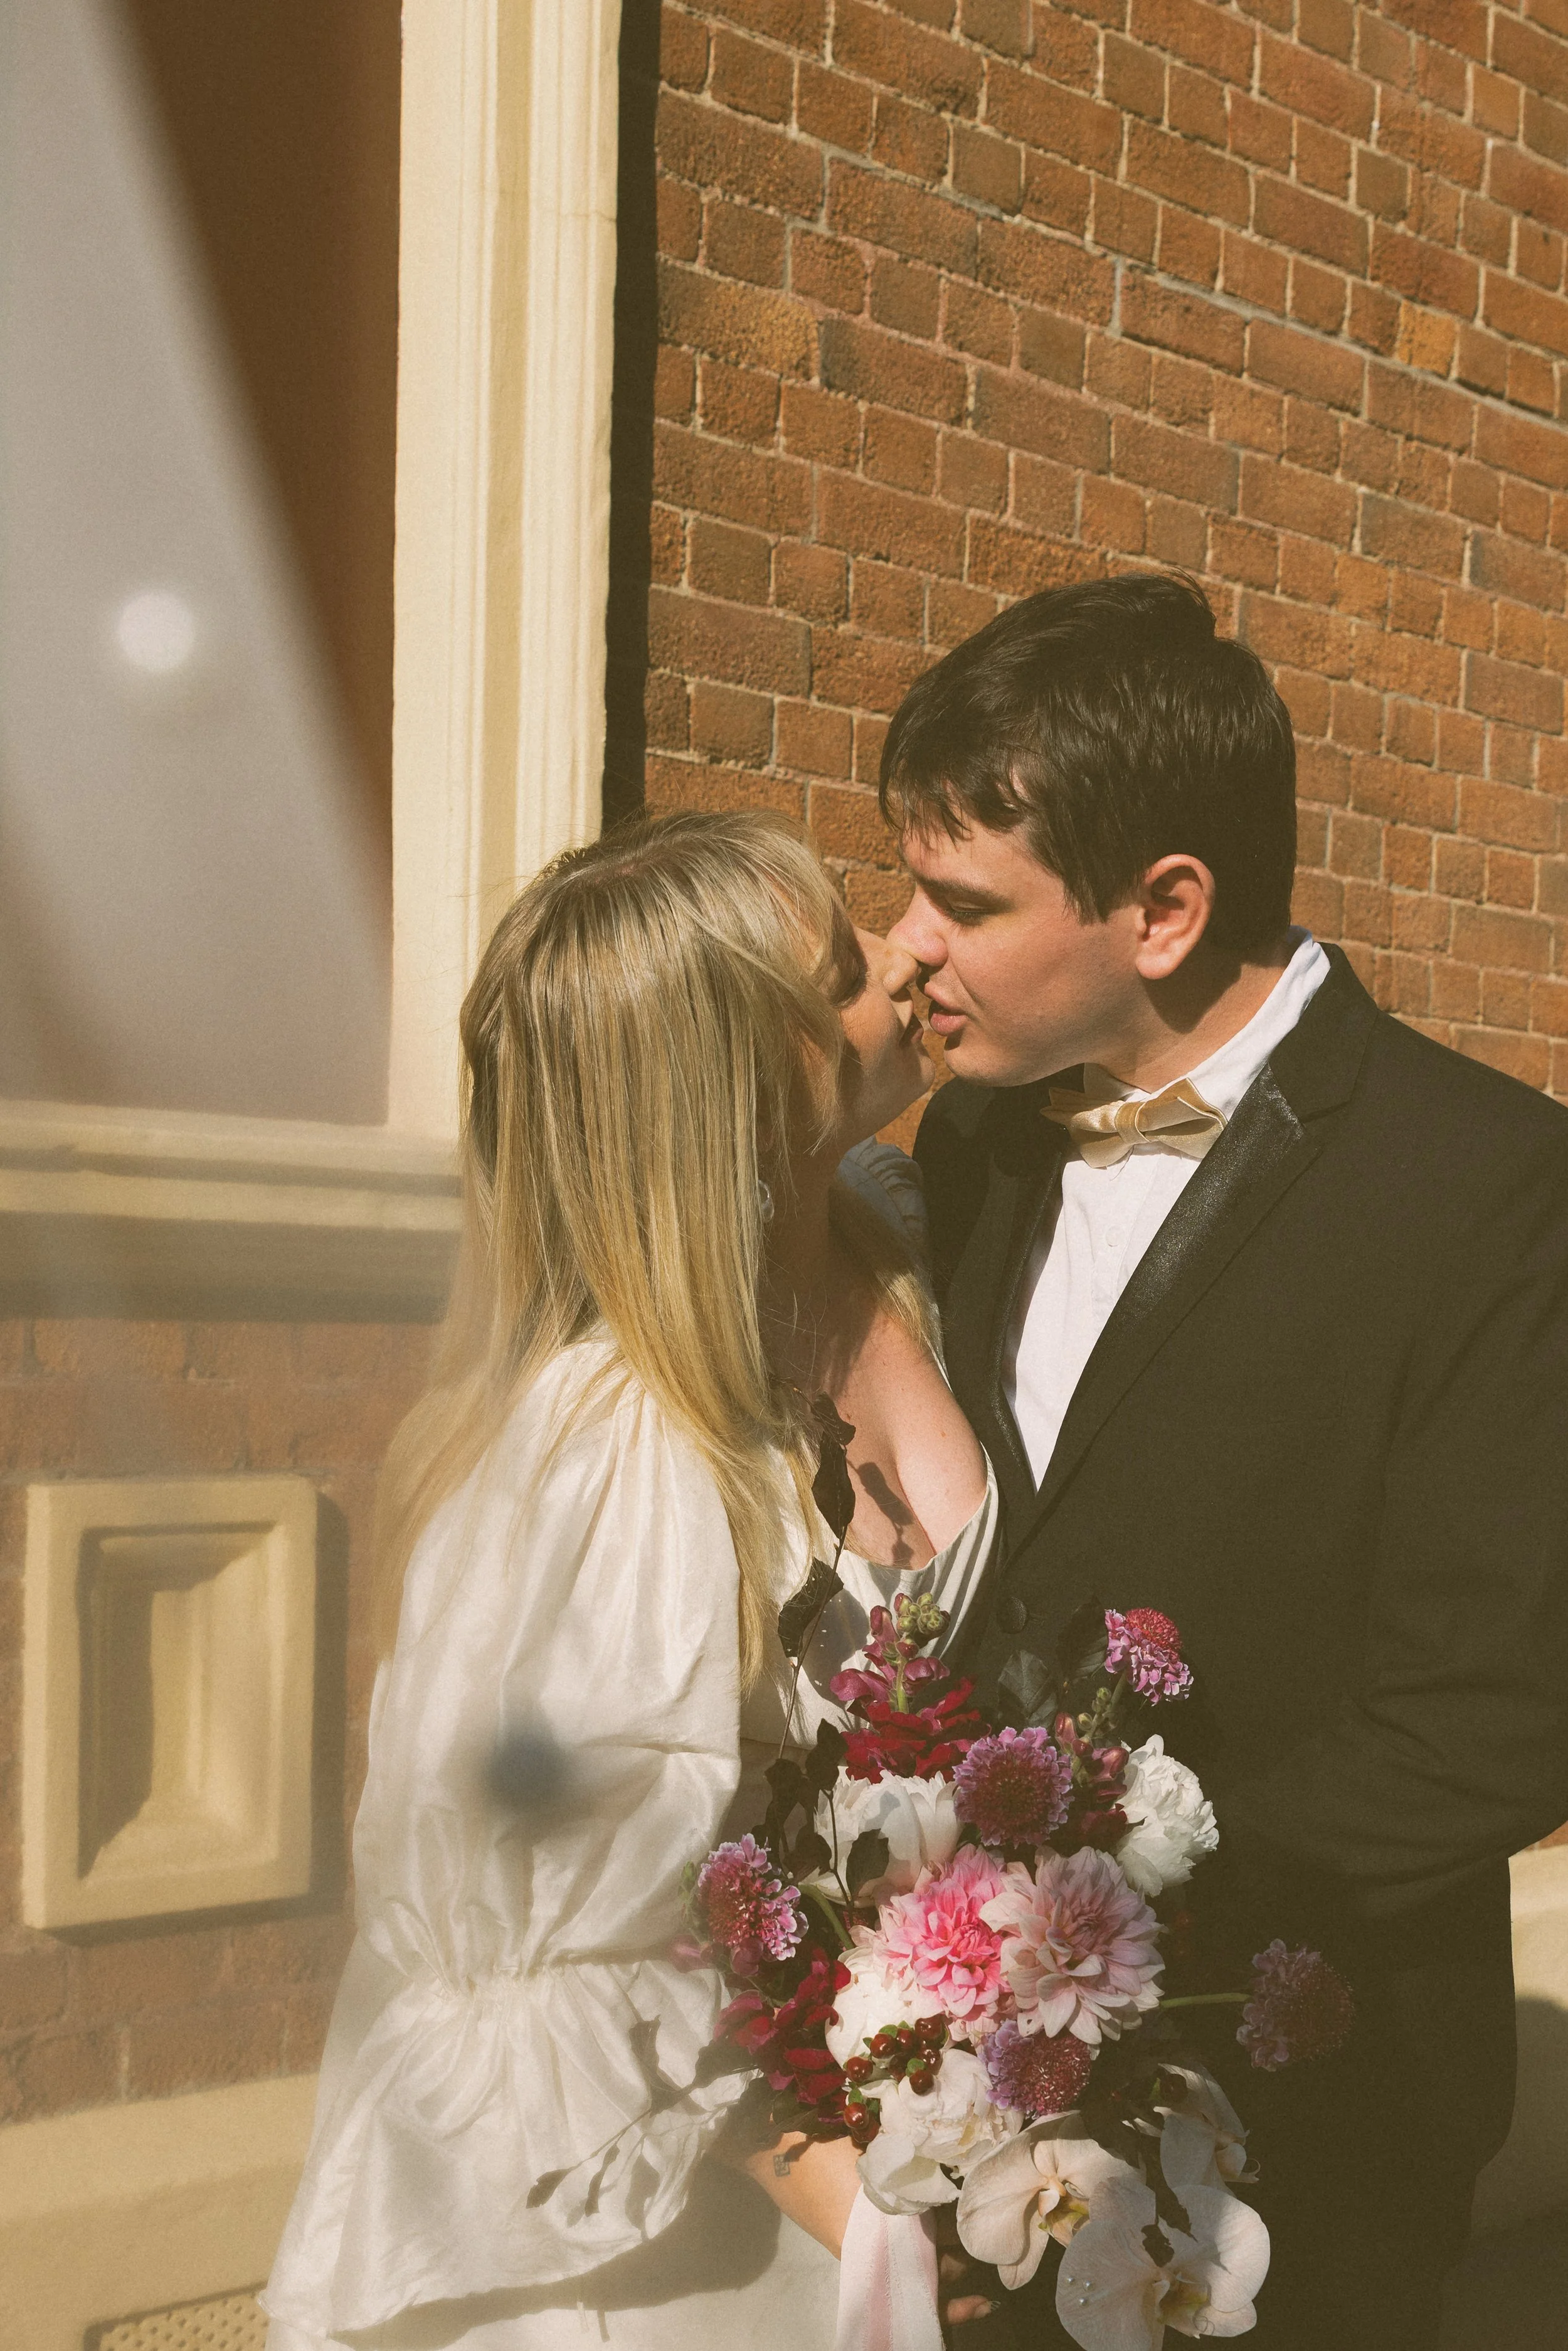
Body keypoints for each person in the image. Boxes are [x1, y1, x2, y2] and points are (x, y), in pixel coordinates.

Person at [879, 571, 1568, 2348]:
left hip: (1307, 2128)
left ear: (1163, 907)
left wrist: (1097, 1930)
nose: (904, 946)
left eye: (959, 899)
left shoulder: (1492, 1187)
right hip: (955, 2120)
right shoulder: (962, 1143)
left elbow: (1501, 1705)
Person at [262, 810, 998, 2351]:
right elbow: (551, 1945)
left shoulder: (898, 1237)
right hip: (673, 2249)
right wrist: (869, 2207)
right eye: (843, 968)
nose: (904, 952)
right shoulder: (610, 1450)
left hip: (903, 2144)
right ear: (748, 1077)